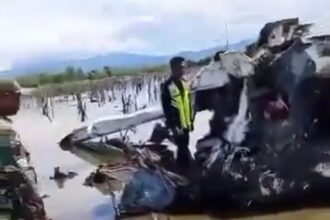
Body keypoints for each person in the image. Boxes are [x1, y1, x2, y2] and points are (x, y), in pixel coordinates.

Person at [160, 56, 194, 168]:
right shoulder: (167, 86)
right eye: (180, 67)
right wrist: (173, 126)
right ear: (173, 68)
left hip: (185, 124)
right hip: (177, 125)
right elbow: (166, 109)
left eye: (183, 67)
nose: (183, 69)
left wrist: (191, 122)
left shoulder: (184, 83)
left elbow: (188, 104)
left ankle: (185, 169)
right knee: (182, 148)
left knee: (185, 146)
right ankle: (183, 171)